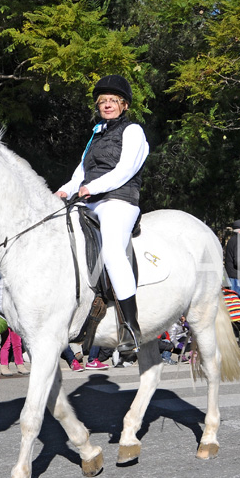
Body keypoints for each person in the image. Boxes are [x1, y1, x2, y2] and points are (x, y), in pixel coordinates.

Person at [54, 75, 148, 353]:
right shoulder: (96, 133)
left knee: (112, 251)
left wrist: (91, 188)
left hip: (119, 200)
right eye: (103, 101)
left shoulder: (133, 131)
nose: (107, 105)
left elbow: (125, 170)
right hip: (91, 199)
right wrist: (63, 191)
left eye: (113, 101)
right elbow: (80, 173)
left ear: (124, 105)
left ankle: (131, 327)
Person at [224, 219, 240, 297]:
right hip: (237, 276)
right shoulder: (239, 241)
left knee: (233, 300)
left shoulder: (234, 239)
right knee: (237, 301)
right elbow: (239, 261)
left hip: (233, 275)